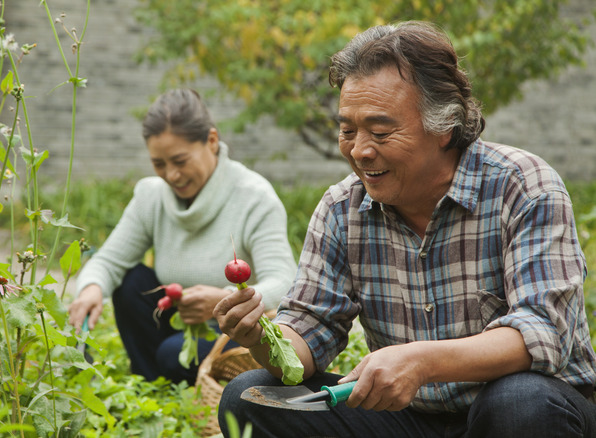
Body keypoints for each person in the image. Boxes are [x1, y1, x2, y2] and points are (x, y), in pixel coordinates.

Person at [214, 21, 596, 437]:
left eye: (380, 131)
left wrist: (421, 361)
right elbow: (308, 334)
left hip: (524, 408)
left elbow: (541, 333)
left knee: (519, 402)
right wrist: (259, 335)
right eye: (347, 130)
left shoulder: (522, 186)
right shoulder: (343, 209)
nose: (359, 150)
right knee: (247, 395)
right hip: (410, 420)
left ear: (444, 127)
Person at [67, 88, 297, 385]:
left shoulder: (254, 198)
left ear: (212, 141)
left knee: (173, 353)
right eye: (159, 164)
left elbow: (284, 281)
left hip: (233, 331)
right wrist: (91, 289)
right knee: (130, 280)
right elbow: (109, 260)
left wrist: (226, 300)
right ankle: (155, 390)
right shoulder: (152, 196)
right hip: (177, 324)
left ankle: (176, 385)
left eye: (180, 161)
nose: (171, 175)